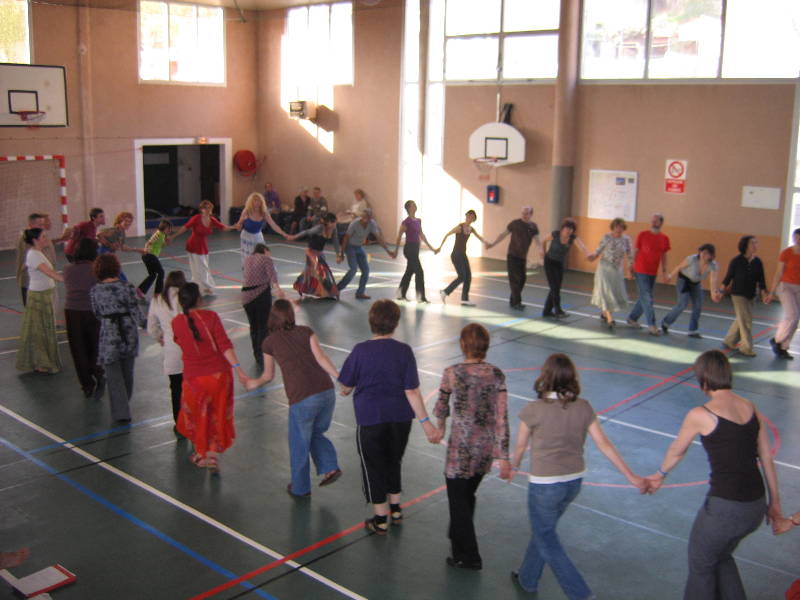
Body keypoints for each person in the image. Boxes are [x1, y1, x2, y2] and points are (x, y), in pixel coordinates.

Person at [645, 350, 782, 600]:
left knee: (701, 563)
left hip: (725, 508)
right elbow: (766, 457)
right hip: (755, 506)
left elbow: (677, 450)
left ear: (703, 379)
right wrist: (775, 504)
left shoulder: (700, 414)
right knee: (720, 556)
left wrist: (660, 474)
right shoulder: (750, 407)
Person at [506, 353, 646, 598]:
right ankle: (527, 578)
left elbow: (520, 447)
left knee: (547, 538)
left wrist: (513, 468)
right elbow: (604, 444)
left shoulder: (533, 410)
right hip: (573, 482)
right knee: (544, 531)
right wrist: (631, 476)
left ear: (545, 377)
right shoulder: (584, 407)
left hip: (545, 485)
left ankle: (581, 594)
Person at [338, 300, 442, 533]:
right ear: (395, 323)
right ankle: (395, 508)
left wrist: (346, 387)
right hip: (400, 419)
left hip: (371, 419)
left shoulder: (360, 350)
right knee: (393, 460)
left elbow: (345, 386)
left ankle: (380, 519)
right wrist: (426, 424)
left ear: (371, 322)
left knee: (373, 466)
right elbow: (412, 391)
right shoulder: (404, 351)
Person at [245, 299, 343, 497]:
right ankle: (330, 467)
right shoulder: (306, 331)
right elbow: (321, 358)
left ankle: (300, 488)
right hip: (326, 392)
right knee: (316, 432)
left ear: (272, 317)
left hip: (302, 398)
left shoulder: (269, 342)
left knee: (299, 444)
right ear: (291, 315)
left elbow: (268, 376)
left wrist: (253, 383)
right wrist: (340, 378)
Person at [434, 323, 509, 570]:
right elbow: (502, 417)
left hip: (461, 449)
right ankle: (457, 538)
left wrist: (439, 428)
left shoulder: (452, 372)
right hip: (484, 449)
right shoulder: (497, 374)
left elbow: (442, 405)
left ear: (463, 345)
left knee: (458, 500)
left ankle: (469, 556)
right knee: (467, 496)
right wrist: (503, 455)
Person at [172, 283, 249, 472]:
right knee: (217, 414)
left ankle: (201, 453)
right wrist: (239, 370)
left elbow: (179, 342)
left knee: (198, 416)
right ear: (199, 299)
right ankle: (212, 455)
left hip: (194, 380)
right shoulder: (211, 317)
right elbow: (224, 345)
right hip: (219, 376)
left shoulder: (176, 322)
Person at [90, 254, 146, 422]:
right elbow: (136, 312)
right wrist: (148, 326)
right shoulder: (127, 287)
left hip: (109, 334)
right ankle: (124, 404)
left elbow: (97, 313)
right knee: (128, 373)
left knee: (113, 376)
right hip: (128, 333)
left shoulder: (95, 290)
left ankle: (121, 412)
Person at [16, 228, 63, 374]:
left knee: (43, 330)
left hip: (45, 295)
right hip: (38, 298)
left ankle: (43, 361)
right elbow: (50, 273)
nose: (46, 239)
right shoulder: (33, 255)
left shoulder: (38, 253)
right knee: (39, 331)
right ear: (35, 240)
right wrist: (71, 279)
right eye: (43, 237)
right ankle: (40, 363)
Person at [147, 270, 187, 434]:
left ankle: (179, 423)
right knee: (192, 387)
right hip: (189, 350)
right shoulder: (185, 297)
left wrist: (160, 338)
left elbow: (151, 328)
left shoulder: (157, 300)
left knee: (176, 388)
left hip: (171, 350)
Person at [63, 238, 103, 398]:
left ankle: (87, 384)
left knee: (78, 347)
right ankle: (98, 372)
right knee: (95, 345)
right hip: (92, 310)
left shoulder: (67, 269)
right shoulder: (95, 269)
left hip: (72, 311)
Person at [170, 199, 235, 296]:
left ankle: (199, 288)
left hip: (203, 246)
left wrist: (234, 227)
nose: (208, 210)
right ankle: (206, 288)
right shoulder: (196, 218)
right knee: (199, 269)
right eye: (205, 208)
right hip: (193, 245)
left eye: (209, 208)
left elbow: (223, 227)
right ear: (201, 209)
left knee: (203, 268)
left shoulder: (212, 220)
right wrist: (173, 236)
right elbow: (185, 227)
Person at [486, 206, 543, 310]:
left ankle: (513, 300)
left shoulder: (533, 226)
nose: (524, 215)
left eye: (526, 213)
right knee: (514, 280)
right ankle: (517, 302)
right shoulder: (515, 223)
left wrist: (541, 250)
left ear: (531, 214)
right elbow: (503, 235)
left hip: (523, 257)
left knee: (522, 279)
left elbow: (537, 240)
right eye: (523, 213)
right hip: (512, 255)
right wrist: (492, 244)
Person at [720, 235, 768, 357]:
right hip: (738, 294)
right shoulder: (736, 261)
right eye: (753, 243)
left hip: (751, 295)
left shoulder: (757, 262)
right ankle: (746, 347)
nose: (755, 245)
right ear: (746, 245)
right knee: (746, 320)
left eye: (756, 243)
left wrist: (764, 293)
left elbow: (761, 279)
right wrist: (720, 291)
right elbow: (728, 278)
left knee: (741, 318)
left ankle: (729, 340)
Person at [661, 243, 722, 337]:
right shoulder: (692, 259)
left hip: (696, 284)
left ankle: (692, 330)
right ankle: (666, 322)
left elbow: (713, 280)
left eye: (707, 253)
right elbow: (679, 267)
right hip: (683, 281)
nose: (703, 255)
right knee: (682, 304)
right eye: (702, 252)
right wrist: (669, 276)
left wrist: (713, 294)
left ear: (712, 255)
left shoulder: (713, 265)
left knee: (698, 304)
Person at [242, 243, 286, 367]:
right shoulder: (266, 259)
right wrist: (279, 290)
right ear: (265, 250)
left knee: (254, 327)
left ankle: (257, 354)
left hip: (246, 297)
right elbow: (273, 277)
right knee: (263, 326)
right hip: (260, 294)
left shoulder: (247, 259)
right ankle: (263, 355)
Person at [337, 208, 395, 300]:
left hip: (359, 247)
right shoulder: (355, 224)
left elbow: (379, 238)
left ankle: (360, 293)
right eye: (364, 216)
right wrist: (341, 254)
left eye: (368, 216)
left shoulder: (372, 224)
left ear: (370, 217)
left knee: (366, 270)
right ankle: (337, 289)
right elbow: (346, 238)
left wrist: (388, 251)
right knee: (353, 269)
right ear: (361, 216)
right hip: (350, 247)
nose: (365, 218)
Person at [627, 212, 671, 335]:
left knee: (644, 297)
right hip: (640, 270)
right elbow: (635, 252)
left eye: (656, 221)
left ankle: (632, 318)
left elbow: (664, 256)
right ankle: (652, 325)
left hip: (652, 272)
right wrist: (630, 267)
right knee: (647, 297)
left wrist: (665, 271)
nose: (653, 222)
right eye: (652, 220)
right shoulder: (643, 235)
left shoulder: (664, 238)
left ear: (661, 223)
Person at [587, 217, 632, 328]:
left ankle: (605, 313)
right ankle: (610, 318)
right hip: (604, 269)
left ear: (624, 228)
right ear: (613, 227)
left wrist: (630, 270)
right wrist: (592, 256)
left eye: (621, 227)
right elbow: (598, 250)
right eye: (616, 227)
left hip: (617, 271)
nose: (618, 229)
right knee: (606, 292)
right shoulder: (606, 237)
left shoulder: (626, 239)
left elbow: (630, 255)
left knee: (614, 293)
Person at [438, 210, 488, 306]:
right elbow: (447, 234)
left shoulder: (471, 229)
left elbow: (479, 237)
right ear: (466, 216)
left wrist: (486, 243)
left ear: (474, 219)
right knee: (462, 276)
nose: (470, 218)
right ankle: (445, 292)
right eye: (469, 216)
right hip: (456, 254)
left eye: (472, 217)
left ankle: (464, 299)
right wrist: (440, 247)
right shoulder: (459, 227)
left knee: (468, 276)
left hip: (463, 254)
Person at [540, 218, 588, 318]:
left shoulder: (573, 238)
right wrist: (542, 252)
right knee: (554, 288)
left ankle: (546, 311)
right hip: (549, 262)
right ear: (563, 228)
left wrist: (587, 255)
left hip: (559, 264)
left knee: (556, 287)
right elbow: (543, 241)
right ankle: (558, 310)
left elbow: (582, 247)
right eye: (567, 228)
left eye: (571, 229)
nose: (569, 230)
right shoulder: (555, 234)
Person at [286, 212, 341, 300]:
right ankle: (304, 287)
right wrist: (293, 237)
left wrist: (338, 254)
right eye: (334, 222)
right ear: (329, 222)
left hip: (319, 252)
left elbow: (335, 241)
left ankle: (327, 291)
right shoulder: (319, 228)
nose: (336, 224)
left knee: (318, 271)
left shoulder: (333, 229)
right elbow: (306, 232)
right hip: (311, 251)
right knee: (317, 271)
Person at [766, 227, 800, 360]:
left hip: (799, 288)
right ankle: (776, 340)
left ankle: (784, 347)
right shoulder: (786, 253)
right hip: (786, 286)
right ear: (793, 238)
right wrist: (771, 292)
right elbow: (779, 273)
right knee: (793, 315)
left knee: (795, 319)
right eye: (796, 237)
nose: (798, 240)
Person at [393, 200, 436, 303]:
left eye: (415, 204)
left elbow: (422, 235)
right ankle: (420, 297)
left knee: (409, 271)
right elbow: (399, 236)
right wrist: (396, 250)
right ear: (408, 208)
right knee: (419, 272)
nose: (415, 206)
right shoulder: (406, 222)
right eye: (413, 205)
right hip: (409, 249)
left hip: (416, 249)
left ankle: (400, 293)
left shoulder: (418, 221)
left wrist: (432, 248)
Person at [235, 192, 287, 268]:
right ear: (251, 202)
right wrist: (241, 220)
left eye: (259, 201)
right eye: (255, 200)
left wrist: (282, 233)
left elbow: (273, 224)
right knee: (249, 258)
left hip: (258, 236)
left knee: (263, 253)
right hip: (246, 236)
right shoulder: (246, 211)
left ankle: (265, 269)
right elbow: (238, 227)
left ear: (262, 202)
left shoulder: (264, 212)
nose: (257, 203)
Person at [97, 212, 145, 283]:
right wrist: (109, 244)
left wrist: (138, 250)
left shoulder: (122, 232)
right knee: (118, 274)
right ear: (120, 220)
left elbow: (123, 247)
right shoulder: (115, 229)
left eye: (130, 221)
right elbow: (99, 234)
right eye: (126, 221)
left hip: (109, 255)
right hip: (104, 253)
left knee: (115, 274)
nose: (128, 223)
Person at [15, 213, 50, 306]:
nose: (42, 227)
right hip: (30, 280)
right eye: (40, 225)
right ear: (31, 225)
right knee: (33, 309)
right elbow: (35, 259)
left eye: (43, 224)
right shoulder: (28, 239)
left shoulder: (34, 237)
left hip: (36, 280)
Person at [137, 219, 172, 300]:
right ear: (163, 228)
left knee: (152, 275)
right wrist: (146, 251)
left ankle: (141, 290)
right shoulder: (158, 234)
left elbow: (160, 245)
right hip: (150, 256)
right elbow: (149, 243)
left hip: (149, 256)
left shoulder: (162, 235)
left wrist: (166, 243)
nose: (170, 230)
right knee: (161, 272)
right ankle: (158, 293)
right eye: (168, 228)